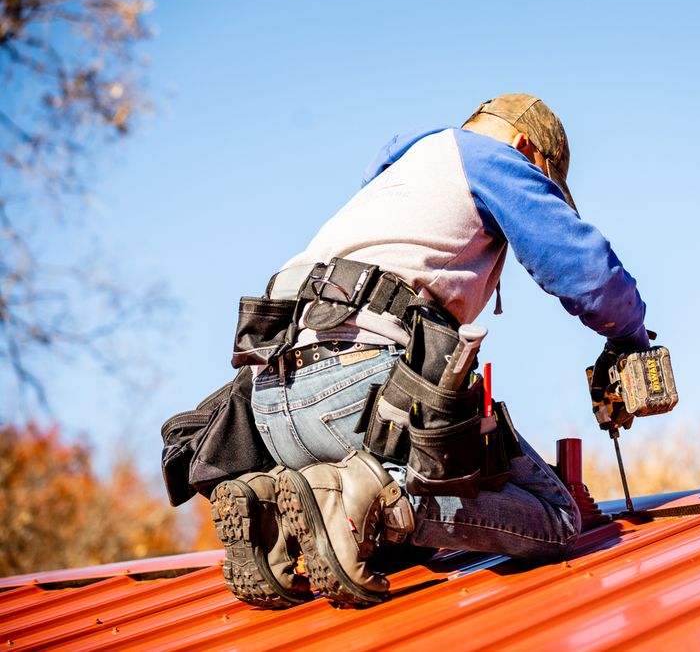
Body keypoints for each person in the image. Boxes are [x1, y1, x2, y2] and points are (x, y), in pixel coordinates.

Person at [210, 94, 651, 609]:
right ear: (525, 146)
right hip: (356, 395)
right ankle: (367, 499)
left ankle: (269, 509)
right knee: (553, 515)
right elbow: (586, 272)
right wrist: (629, 339)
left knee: (397, 548)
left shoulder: (394, 180)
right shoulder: (491, 159)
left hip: (270, 409)